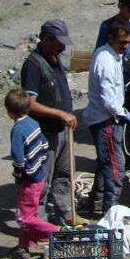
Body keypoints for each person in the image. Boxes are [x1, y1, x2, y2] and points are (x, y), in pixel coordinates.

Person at [20, 19, 86, 226]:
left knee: (64, 175)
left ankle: (65, 213)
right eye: (59, 42)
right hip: (44, 132)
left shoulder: (55, 59)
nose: (64, 47)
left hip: (62, 130)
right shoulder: (33, 65)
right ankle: (36, 223)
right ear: (46, 39)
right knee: (41, 179)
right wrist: (59, 114)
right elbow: (29, 104)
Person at [95, 0, 130, 175]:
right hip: (116, 87)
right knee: (121, 124)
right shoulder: (107, 26)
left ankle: (124, 152)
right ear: (120, 6)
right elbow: (100, 53)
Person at [84, 17, 130, 215]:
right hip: (106, 120)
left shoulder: (112, 54)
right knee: (115, 169)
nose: (126, 47)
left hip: (107, 117)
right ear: (111, 38)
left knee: (104, 164)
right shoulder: (105, 60)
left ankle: (95, 202)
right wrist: (121, 113)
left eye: (128, 42)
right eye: (122, 43)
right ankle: (110, 212)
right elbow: (107, 99)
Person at [5, 89, 60, 259]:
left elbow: (17, 156)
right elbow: (44, 144)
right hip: (40, 173)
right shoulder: (33, 123)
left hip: (29, 178)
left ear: (9, 111)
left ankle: (57, 232)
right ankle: (24, 246)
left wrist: (19, 173)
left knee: (24, 216)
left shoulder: (18, 130)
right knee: (28, 211)